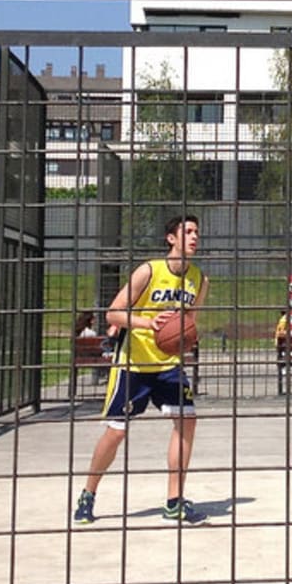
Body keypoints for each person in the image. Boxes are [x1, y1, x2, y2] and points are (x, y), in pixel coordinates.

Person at [73, 214, 209, 526]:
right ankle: (88, 493)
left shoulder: (199, 279)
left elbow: (189, 322)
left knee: (188, 420)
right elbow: (114, 313)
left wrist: (186, 336)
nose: (194, 237)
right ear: (171, 239)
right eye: (186, 231)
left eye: (196, 232)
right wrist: (148, 323)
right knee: (116, 432)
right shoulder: (148, 271)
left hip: (167, 365)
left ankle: (174, 500)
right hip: (133, 362)